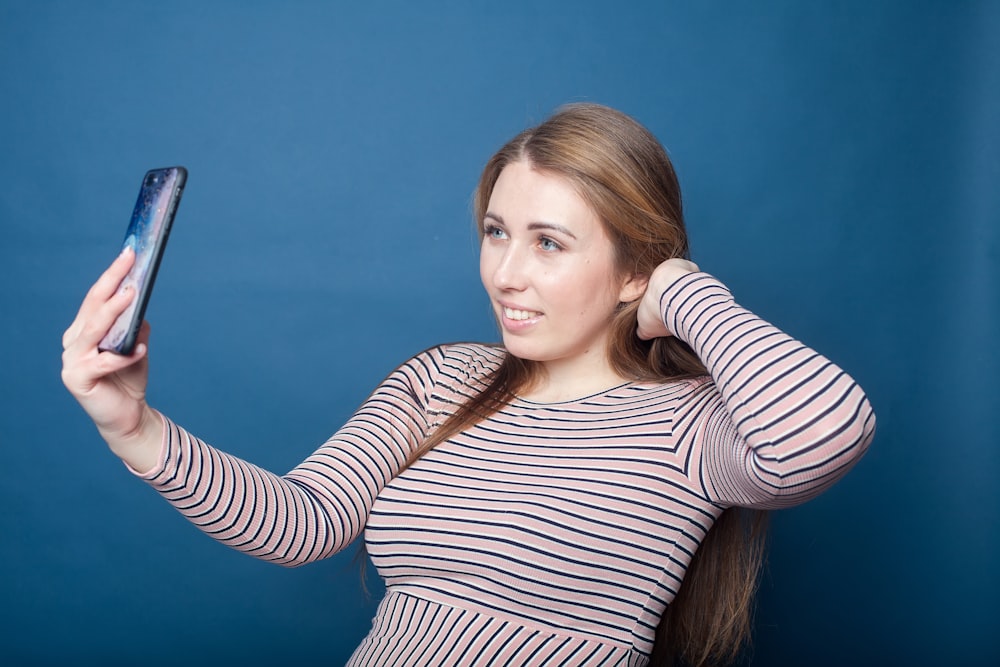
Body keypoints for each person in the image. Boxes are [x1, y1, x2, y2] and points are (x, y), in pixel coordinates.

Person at [62, 103, 875, 667]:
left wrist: (684, 292)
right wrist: (130, 424)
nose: (507, 275)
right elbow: (301, 521)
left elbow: (826, 433)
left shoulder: (689, 425)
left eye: (550, 243)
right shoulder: (444, 379)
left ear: (634, 267)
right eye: (496, 232)